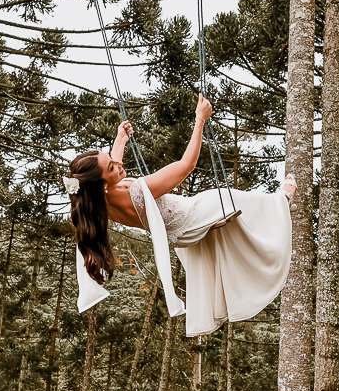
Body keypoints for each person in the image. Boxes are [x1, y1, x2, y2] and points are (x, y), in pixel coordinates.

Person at [65, 93, 295, 336]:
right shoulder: (134, 192)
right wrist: (200, 120)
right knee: (233, 199)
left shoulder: (99, 199)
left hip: (179, 237)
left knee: (229, 217)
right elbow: (186, 165)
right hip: (192, 219)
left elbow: (110, 171)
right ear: (100, 182)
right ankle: (282, 201)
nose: (118, 164)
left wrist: (120, 141)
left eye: (111, 158)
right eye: (111, 166)